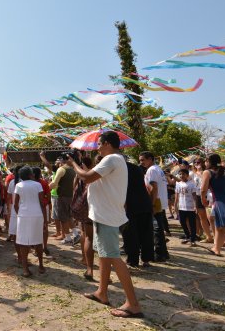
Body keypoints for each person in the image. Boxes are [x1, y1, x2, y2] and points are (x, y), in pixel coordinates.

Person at [72, 131, 143, 319]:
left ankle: (133, 304)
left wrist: (72, 164)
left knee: (112, 256)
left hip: (107, 217)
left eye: (100, 143)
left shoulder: (111, 159)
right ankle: (101, 292)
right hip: (105, 215)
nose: (98, 147)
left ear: (108, 144)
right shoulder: (115, 160)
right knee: (104, 255)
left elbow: (86, 177)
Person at [122, 159, 154, 268]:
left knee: (131, 234)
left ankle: (132, 260)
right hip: (145, 202)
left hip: (131, 204)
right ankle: (146, 259)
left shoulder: (121, 169)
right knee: (146, 233)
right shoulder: (136, 168)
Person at [14, 166, 46, 277]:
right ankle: (41, 266)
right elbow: (42, 203)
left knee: (23, 242)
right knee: (38, 240)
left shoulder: (18, 185)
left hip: (23, 215)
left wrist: (20, 214)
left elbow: (15, 204)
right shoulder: (37, 185)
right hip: (37, 214)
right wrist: (45, 219)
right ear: (30, 175)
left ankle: (25, 269)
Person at [139, 151, 169, 262]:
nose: (141, 162)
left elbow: (154, 188)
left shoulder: (151, 170)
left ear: (150, 159)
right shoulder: (158, 169)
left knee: (156, 229)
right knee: (159, 228)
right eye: (140, 160)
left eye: (143, 160)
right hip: (160, 201)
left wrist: (151, 203)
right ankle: (164, 253)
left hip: (156, 201)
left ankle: (159, 254)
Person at [72, 156, 96, 279]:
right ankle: (105, 275)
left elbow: (75, 192)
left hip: (85, 210)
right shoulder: (97, 175)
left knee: (87, 237)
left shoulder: (82, 176)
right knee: (100, 241)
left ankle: (89, 268)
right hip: (99, 210)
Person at [49, 153, 77, 243]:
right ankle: (76, 234)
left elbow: (54, 184)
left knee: (63, 218)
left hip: (62, 196)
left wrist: (46, 186)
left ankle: (68, 237)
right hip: (70, 196)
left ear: (63, 160)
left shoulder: (61, 169)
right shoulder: (73, 170)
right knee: (69, 216)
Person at [191, 157, 214, 243]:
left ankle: (215, 236)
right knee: (202, 217)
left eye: (199, 162)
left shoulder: (206, 172)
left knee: (211, 217)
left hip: (208, 195)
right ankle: (209, 237)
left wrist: (200, 171)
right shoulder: (192, 174)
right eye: (195, 163)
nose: (197, 164)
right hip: (198, 196)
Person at [175, 169, 199, 246]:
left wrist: (196, 206)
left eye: (183, 174)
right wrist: (176, 205)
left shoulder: (191, 184)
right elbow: (177, 196)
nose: (181, 176)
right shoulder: (178, 184)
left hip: (190, 207)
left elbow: (194, 195)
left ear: (187, 175)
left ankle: (193, 239)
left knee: (192, 223)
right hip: (182, 207)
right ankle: (187, 235)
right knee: (182, 222)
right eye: (180, 174)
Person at [32, 167, 51, 256]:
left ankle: (37, 249)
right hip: (43, 207)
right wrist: (45, 202)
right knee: (44, 227)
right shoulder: (43, 182)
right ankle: (45, 246)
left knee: (35, 229)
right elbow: (48, 195)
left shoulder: (31, 184)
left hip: (34, 208)